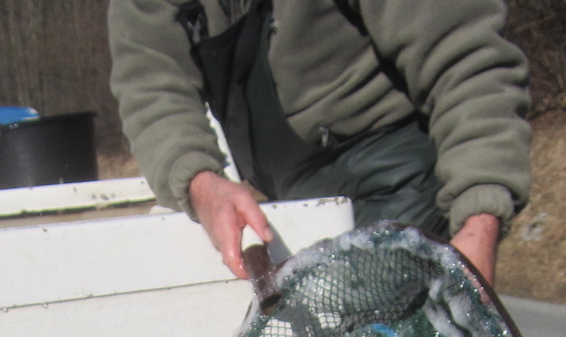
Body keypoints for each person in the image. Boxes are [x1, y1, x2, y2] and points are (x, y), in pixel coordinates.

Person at [108, 0, 531, 285]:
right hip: (297, 201)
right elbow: (150, 82)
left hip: (405, 185)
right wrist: (200, 183)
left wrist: (479, 220)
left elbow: (468, 59)